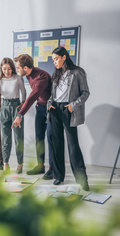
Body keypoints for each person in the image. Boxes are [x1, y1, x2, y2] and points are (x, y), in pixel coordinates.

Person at [47, 46, 90, 191]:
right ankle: (59, 177)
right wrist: (49, 104)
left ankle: (82, 180)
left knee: (73, 146)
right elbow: (52, 95)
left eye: (56, 59)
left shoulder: (78, 72)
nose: (55, 62)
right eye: (53, 60)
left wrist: (73, 105)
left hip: (68, 109)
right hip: (55, 110)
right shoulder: (56, 73)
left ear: (64, 57)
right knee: (56, 144)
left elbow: (85, 93)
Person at [12, 54, 53, 177]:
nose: (16, 69)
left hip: (50, 109)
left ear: (25, 67)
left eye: (18, 67)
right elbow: (34, 97)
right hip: (40, 108)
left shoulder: (42, 77)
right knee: (39, 138)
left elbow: (33, 95)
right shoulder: (28, 75)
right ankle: (40, 166)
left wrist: (20, 115)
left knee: (51, 139)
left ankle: (52, 168)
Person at [0, 57, 26, 173]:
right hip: (4, 108)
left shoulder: (18, 78)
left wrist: (23, 104)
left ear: (12, 69)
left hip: (16, 107)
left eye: (9, 69)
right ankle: (6, 163)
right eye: (4, 69)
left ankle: (20, 164)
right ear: (1, 68)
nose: (7, 71)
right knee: (5, 138)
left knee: (18, 137)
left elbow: (23, 91)